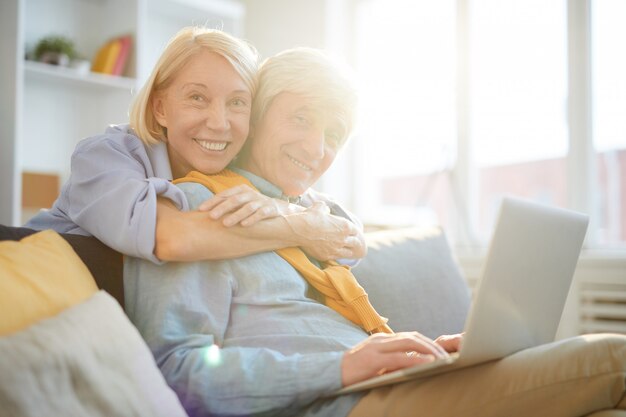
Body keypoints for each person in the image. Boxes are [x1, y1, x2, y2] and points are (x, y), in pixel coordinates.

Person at [125, 48, 626, 417]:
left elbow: (342, 251)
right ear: (253, 118)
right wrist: (344, 367)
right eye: (300, 118)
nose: (317, 147)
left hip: (385, 389)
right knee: (611, 357)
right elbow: (178, 371)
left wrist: (425, 354)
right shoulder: (199, 209)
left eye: (334, 134)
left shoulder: (317, 223)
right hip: (338, 406)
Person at [24, 26, 365, 265]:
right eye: (197, 97)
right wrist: (303, 228)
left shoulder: (232, 172)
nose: (219, 122)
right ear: (160, 108)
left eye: (236, 102)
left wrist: (287, 209)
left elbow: (348, 239)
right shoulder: (104, 155)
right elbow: (173, 238)